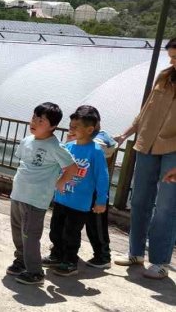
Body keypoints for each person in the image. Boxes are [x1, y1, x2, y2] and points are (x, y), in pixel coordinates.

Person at [113, 36, 176, 280]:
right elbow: (145, 112)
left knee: (166, 207)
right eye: (171, 57)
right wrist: (124, 134)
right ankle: (135, 253)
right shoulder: (164, 76)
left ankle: (159, 262)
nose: (172, 62)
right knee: (139, 201)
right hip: (146, 145)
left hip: (173, 151)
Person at [7, 102, 79, 285]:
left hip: (36, 199)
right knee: (18, 232)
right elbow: (24, 164)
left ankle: (35, 272)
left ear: (53, 126)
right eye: (34, 118)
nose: (34, 122)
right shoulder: (27, 140)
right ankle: (21, 260)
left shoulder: (55, 146)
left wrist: (61, 181)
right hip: (18, 194)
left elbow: (72, 168)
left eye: (41, 121)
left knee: (30, 236)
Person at [43, 107, 110, 277]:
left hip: (79, 204)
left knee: (71, 233)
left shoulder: (96, 151)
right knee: (56, 229)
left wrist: (101, 200)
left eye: (75, 127)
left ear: (89, 129)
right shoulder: (68, 147)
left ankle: (70, 262)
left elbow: (102, 177)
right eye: (70, 126)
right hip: (61, 198)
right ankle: (56, 255)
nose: (71, 129)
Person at [67, 105, 118, 269]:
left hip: (96, 190)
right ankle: (62, 250)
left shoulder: (101, 139)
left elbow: (107, 148)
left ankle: (103, 255)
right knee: (69, 222)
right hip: (78, 189)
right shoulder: (76, 139)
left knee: (96, 224)